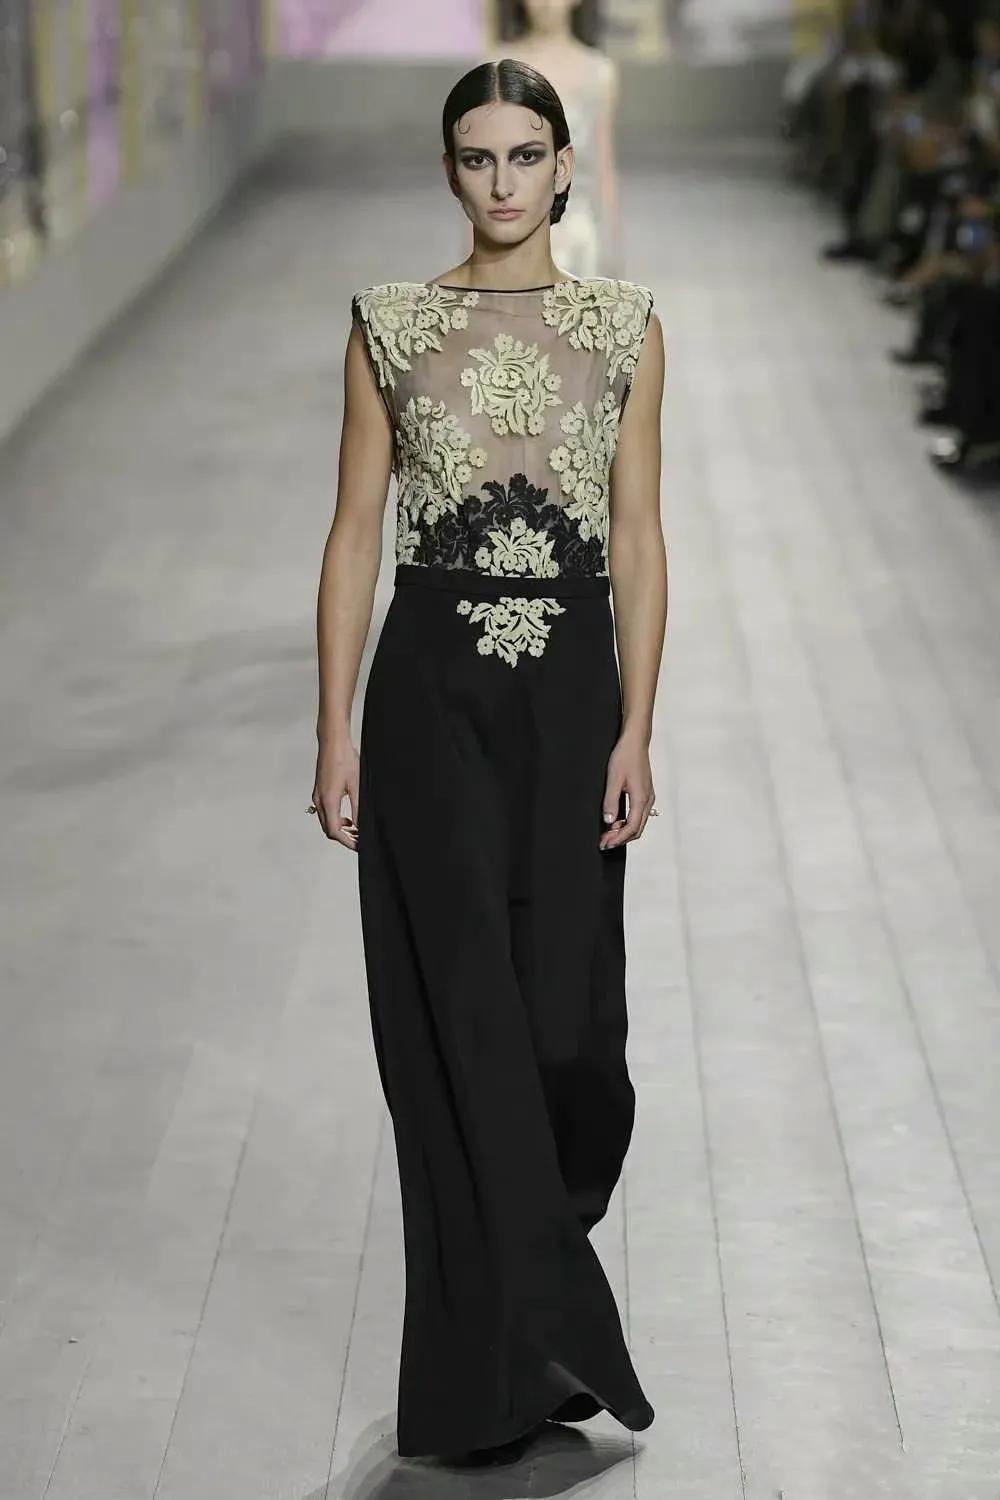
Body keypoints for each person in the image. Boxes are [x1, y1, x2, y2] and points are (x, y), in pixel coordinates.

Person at [310, 56, 667, 1465]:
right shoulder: (389, 325)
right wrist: (333, 726)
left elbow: (635, 535)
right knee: (455, 1023)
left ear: (566, 166)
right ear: (450, 169)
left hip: (572, 698)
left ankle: (538, 1300)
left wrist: (639, 725)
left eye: (527, 155)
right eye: (478, 156)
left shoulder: (626, 326)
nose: (504, 181)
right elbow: (354, 532)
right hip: (430, 705)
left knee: (573, 1036)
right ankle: (483, 1374)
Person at [492, 0, 624, 277]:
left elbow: (603, 166)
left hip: (580, 238)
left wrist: (613, 250)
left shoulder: (599, 73)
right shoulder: (496, 69)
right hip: (512, 229)